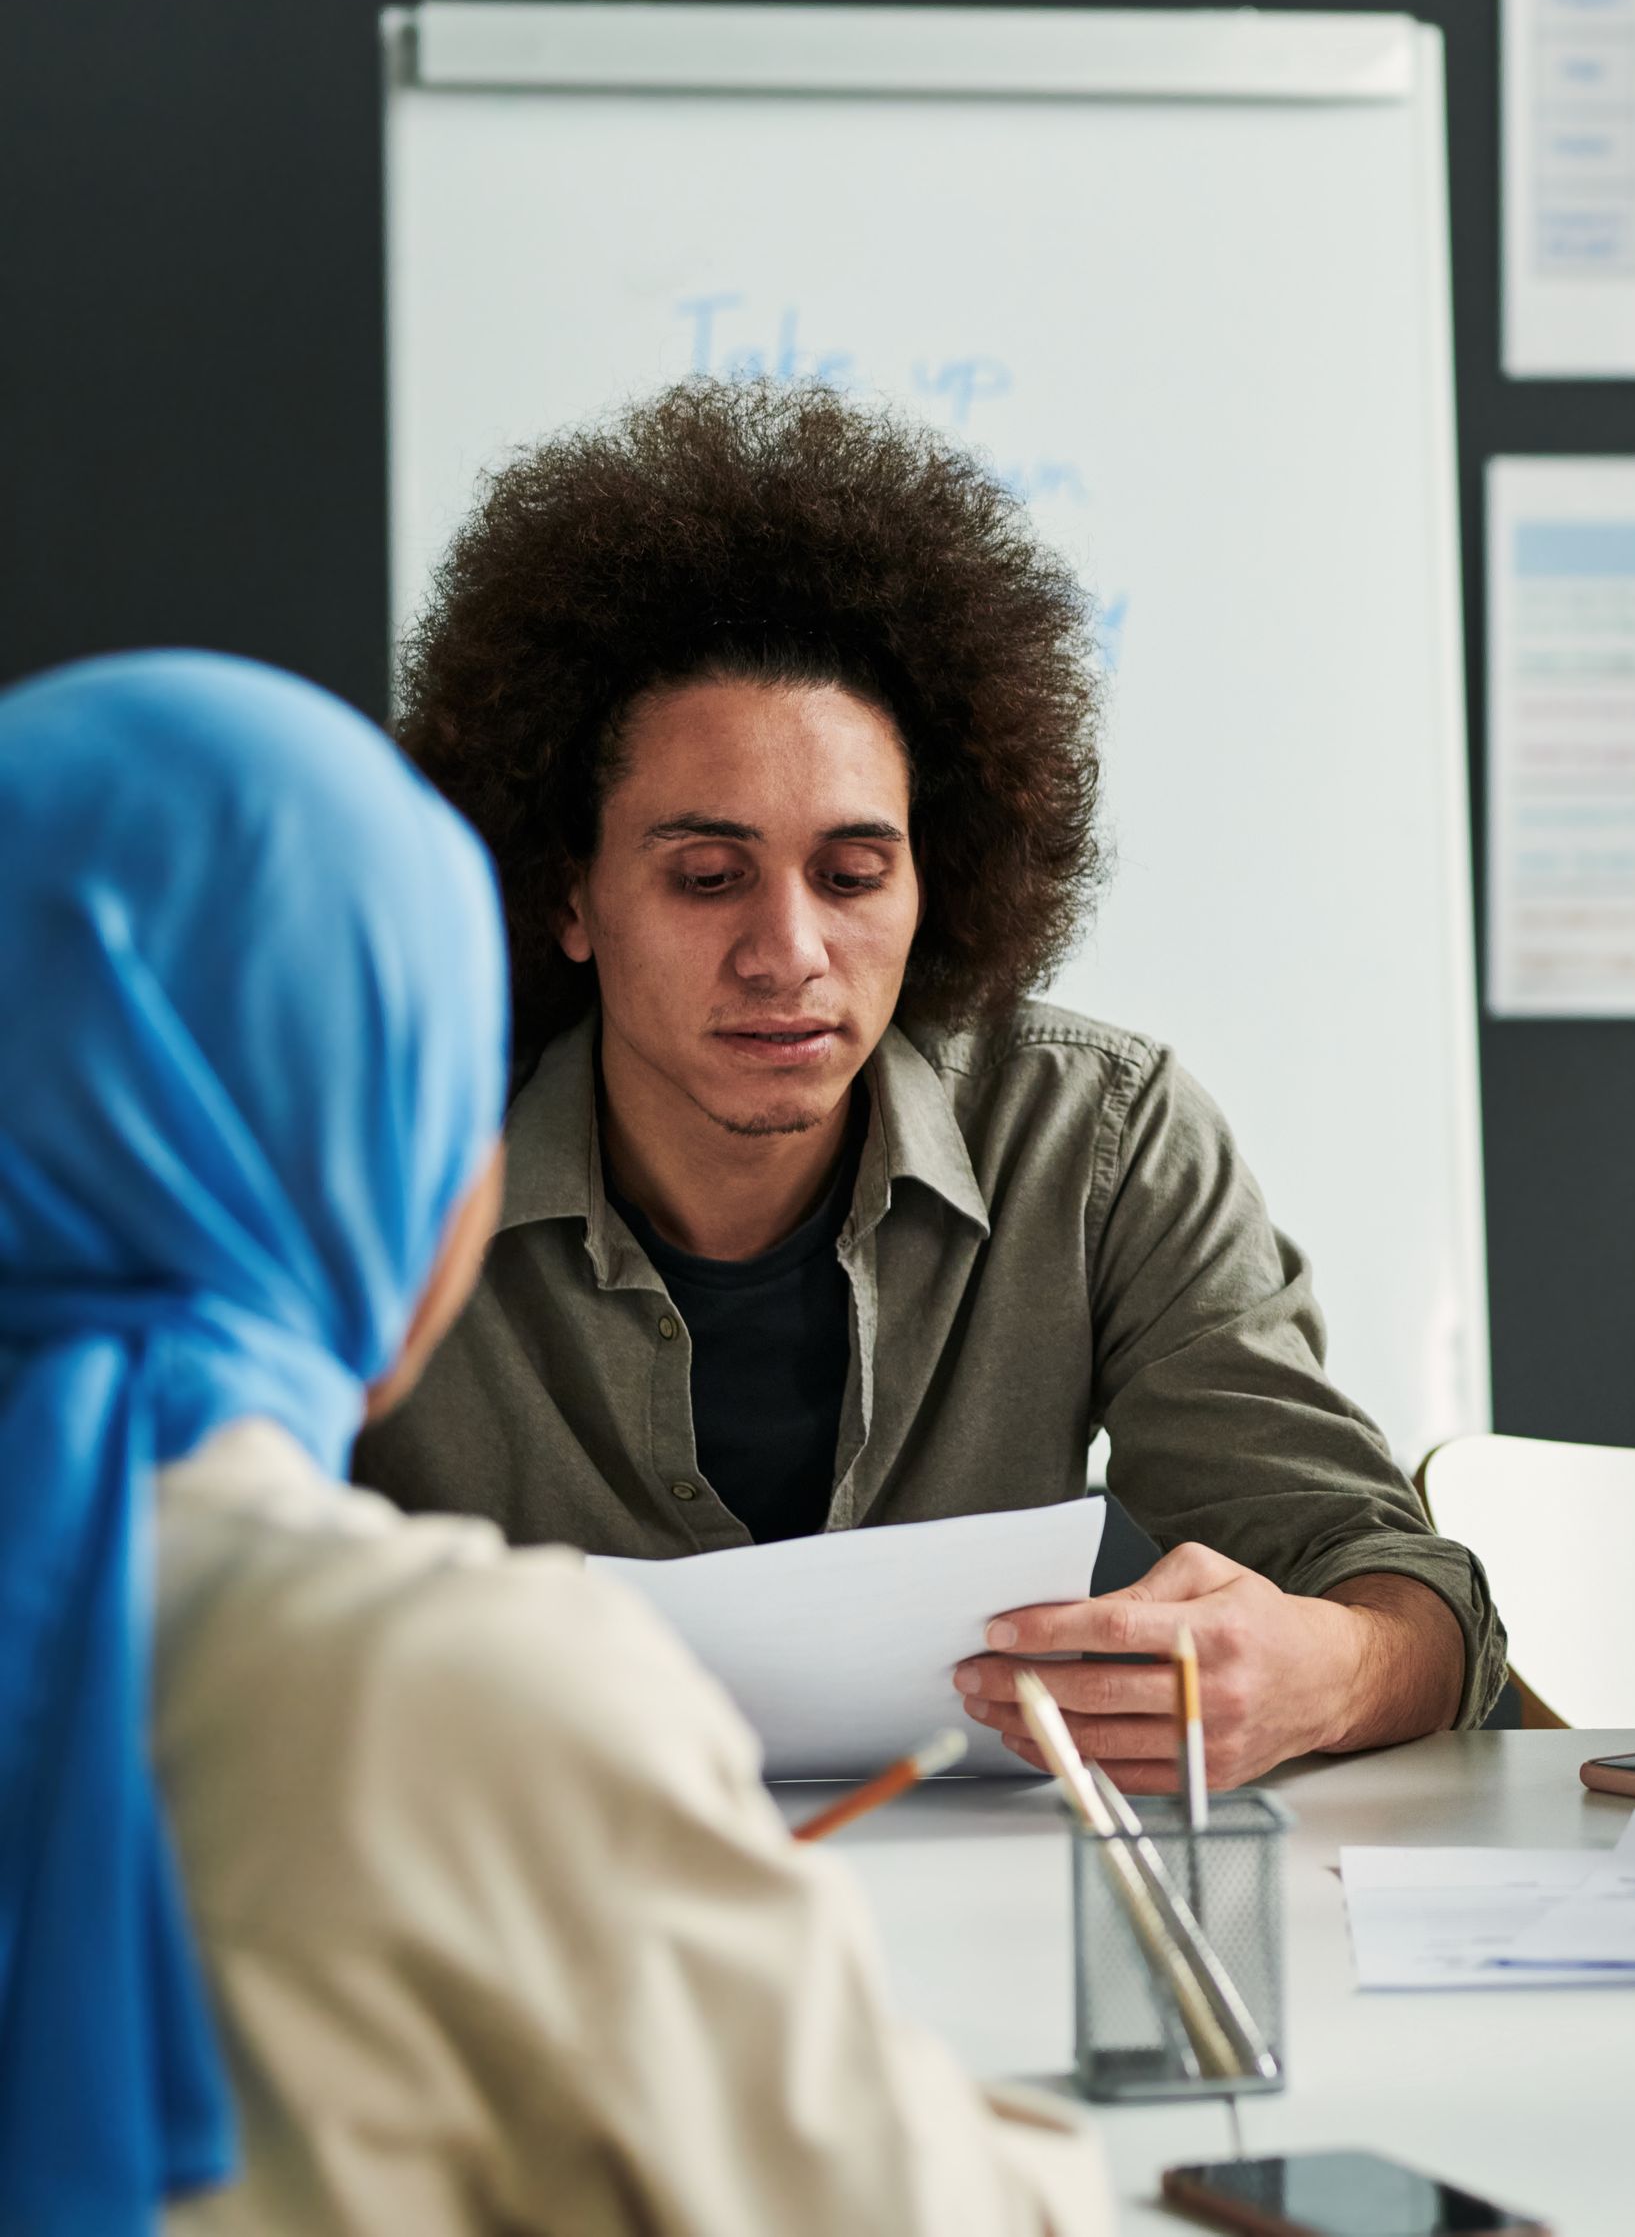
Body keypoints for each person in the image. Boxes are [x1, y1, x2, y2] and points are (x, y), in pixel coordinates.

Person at [0, 651, 1106, 2235]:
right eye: (434, 1067)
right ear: (366, 1138)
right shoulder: (456, 1692)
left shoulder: (1102, 1133)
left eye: (855, 869)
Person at [354, 380, 1501, 1787]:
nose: (789, 953)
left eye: (853, 875)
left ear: (935, 881)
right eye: (708, 878)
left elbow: (1408, 1596)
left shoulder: (1097, 1139)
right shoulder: (380, 1156)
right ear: (568, 895)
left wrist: (1325, 1673)